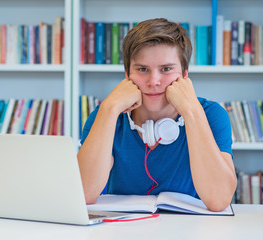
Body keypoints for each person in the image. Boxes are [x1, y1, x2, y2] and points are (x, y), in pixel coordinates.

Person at [77, 18, 237, 212]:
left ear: (185, 74)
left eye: (166, 69)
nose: (154, 81)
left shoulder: (211, 115)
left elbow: (219, 200)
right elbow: (82, 194)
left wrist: (191, 111)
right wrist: (110, 108)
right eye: (142, 69)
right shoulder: (106, 115)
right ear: (127, 74)